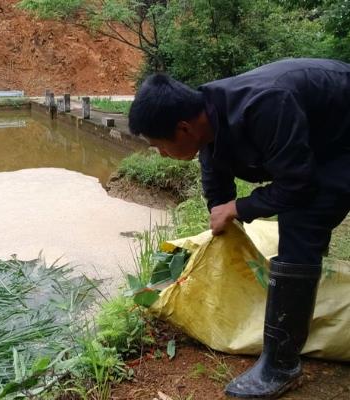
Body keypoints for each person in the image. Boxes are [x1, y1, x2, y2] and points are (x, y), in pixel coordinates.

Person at [128, 58, 350, 398]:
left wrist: (239, 208)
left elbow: (297, 185)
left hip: (342, 136)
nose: (161, 154)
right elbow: (215, 179)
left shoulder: (263, 106)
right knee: (301, 222)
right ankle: (305, 284)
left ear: (184, 128)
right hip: (318, 139)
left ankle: (280, 365)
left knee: (301, 219)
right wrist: (221, 213)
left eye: (160, 146)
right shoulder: (209, 119)